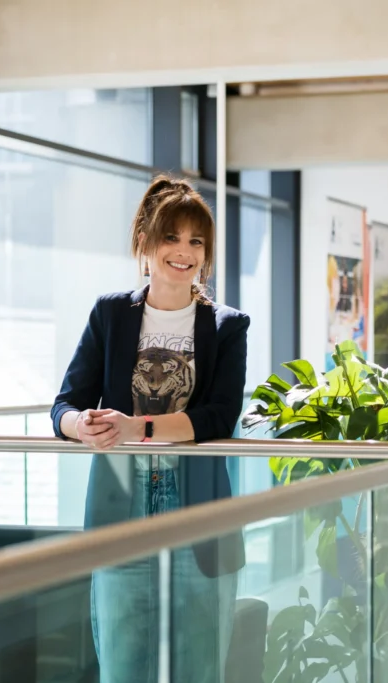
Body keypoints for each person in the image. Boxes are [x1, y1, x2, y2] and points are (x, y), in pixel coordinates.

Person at [50, 175, 249, 683]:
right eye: (171, 237)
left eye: (195, 241)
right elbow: (64, 406)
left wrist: (133, 425)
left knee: (199, 669)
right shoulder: (111, 314)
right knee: (122, 666)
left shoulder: (227, 325)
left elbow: (217, 417)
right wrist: (85, 426)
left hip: (198, 506)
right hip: (122, 503)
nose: (183, 252)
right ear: (145, 241)